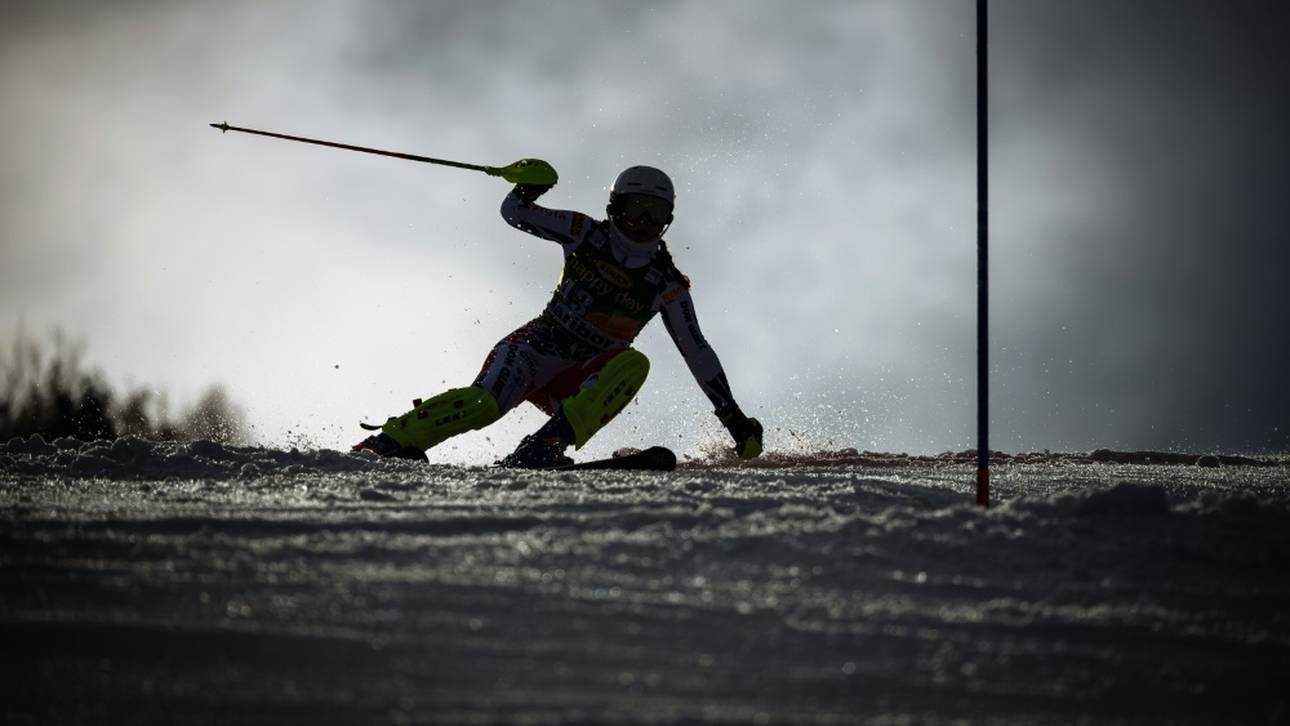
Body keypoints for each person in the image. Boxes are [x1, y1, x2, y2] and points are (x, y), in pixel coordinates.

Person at [353, 163, 763, 467]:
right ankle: (391, 440)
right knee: (483, 404)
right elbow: (515, 214)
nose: (642, 222)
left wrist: (731, 415)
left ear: (667, 222)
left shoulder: (666, 284)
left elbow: (697, 351)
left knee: (634, 363)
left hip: (579, 376)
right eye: (636, 208)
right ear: (615, 207)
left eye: (655, 214)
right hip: (533, 350)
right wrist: (526, 191)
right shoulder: (586, 233)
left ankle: (544, 446)